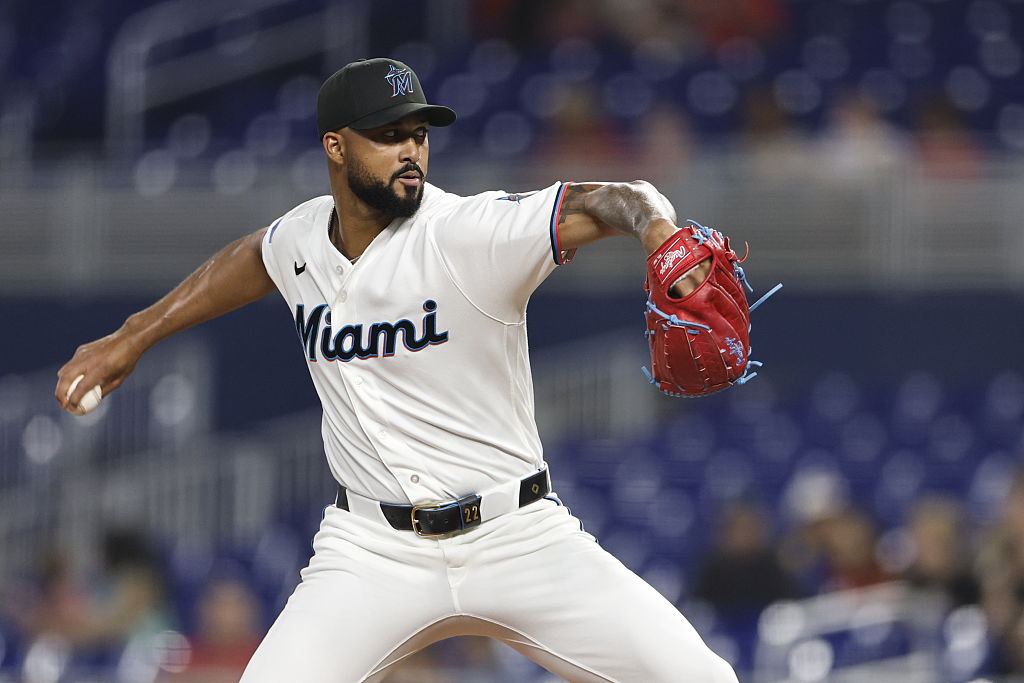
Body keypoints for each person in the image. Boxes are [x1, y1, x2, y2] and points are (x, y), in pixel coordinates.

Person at [56, 57, 736, 682]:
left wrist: (654, 227)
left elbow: (610, 196)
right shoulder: (303, 239)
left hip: (517, 534)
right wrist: (131, 336)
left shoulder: (469, 233)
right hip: (372, 552)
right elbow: (254, 258)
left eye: (418, 132)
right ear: (336, 146)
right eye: (388, 134)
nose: (411, 148)